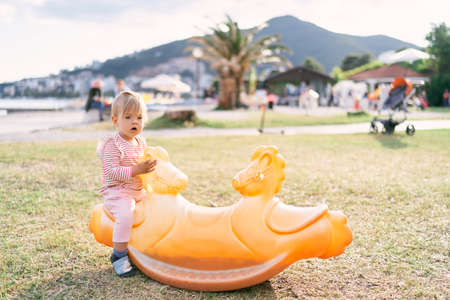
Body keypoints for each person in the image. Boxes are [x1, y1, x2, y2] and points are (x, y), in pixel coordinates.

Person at [96, 91, 157, 277]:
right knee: (126, 215)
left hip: (138, 189)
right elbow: (111, 172)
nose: (135, 122)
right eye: (128, 117)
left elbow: (144, 164)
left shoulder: (140, 141)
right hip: (118, 192)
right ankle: (119, 255)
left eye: (139, 117)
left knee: (156, 207)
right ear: (115, 121)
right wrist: (136, 170)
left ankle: (146, 246)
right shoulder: (112, 145)